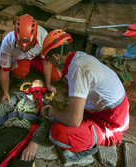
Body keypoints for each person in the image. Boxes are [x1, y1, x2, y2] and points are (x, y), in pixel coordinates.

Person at [40, 29, 130, 161]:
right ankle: (87, 132)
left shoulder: (78, 69)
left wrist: (50, 111)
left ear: (56, 57)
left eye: (50, 61)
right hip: (106, 110)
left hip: (112, 123)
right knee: (65, 114)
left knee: (57, 133)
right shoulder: (78, 57)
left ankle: (88, 147)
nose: (52, 65)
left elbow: (74, 120)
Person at [0, 79, 53, 167]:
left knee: (24, 161)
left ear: (43, 89)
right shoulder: (19, 95)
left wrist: (35, 142)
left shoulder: (45, 104)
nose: (37, 83)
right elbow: (5, 106)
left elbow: (46, 123)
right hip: (12, 129)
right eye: (35, 82)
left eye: (40, 83)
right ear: (30, 86)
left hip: (30, 136)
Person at [0, 14, 61, 103]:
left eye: (29, 45)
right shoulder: (7, 42)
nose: (24, 49)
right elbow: (4, 71)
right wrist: (5, 93)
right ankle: (19, 77)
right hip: (21, 59)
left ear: (35, 38)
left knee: (56, 76)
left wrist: (48, 85)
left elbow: (46, 62)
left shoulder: (43, 36)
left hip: (36, 57)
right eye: (20, 45)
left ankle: (33, 69)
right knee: (19, 72)